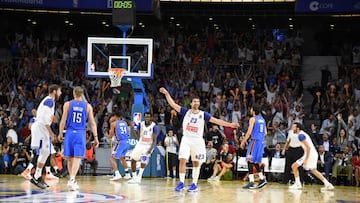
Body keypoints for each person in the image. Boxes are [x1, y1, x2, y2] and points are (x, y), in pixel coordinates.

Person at [159, 87, 239, 192]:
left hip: (197, 140)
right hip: (186, 139)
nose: (196, 103)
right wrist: (167, 94)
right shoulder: (185, 111)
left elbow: (216, 120)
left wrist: (230, 125)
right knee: (182, 159)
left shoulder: (203, 114)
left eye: (198, 101)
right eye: (194, 101)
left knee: (196, 162)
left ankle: (194, 184)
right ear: (191, 103)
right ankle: (181, 182)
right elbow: (173, 104)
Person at [59, 86, 99, 191]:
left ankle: (72, 180)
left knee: (70, 158)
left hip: (69, 132)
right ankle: (72, 179)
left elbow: (63, 121)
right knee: (77, 157)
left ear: (73, 93)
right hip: (80, 133)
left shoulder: (67, 104)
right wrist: (95, 137)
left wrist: (60, 133)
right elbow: (92, 123)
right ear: (82, 94)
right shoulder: (88, 106)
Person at [29, 84, 62, 189]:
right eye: (59, 91)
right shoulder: (49, 101)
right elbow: (43, 118)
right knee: (43, 152)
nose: (60, 93)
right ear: (54, 91)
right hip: (40, 129)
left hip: (41, 129)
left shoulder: (49, 101)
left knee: (46, 152)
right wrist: (51, 133)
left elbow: (46, 117)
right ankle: (35, 175)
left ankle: (37, 175)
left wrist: (53, 120)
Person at [289, 122, 334, 191]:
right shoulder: (301, 134)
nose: (292, 128)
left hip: (310, 154)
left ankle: (298, 184)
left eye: (294, 127)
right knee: (313, 170)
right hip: (312, 153)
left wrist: (306, 159)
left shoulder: (301, 136)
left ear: (297, 128)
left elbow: (308, 148)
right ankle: (328, 184)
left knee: (294, 166)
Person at [240, 104, 267, 189]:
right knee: (254, 161)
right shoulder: (262, 119)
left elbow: (249, 131)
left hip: (254, 141)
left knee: (249, 160)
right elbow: (265, 133)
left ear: (253, 111)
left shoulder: (253, 119)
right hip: (261, 142)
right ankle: (262, 179)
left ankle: (251, 182)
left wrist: (243, 141)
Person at [127, 112, 159, 184]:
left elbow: (154, 140)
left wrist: (150, 149)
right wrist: (132, 127)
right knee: (133, 160)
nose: (147, 118)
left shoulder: (154, 127)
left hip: (148, 145)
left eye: (148, 117)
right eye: (146, 117)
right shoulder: (141, 124)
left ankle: (139, 177)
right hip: (140, 144)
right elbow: (136, 137)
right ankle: (134, 177)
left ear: (151, 118)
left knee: (144, 158)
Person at [109, 111, 131, 181]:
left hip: (120, 142)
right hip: (127, 142)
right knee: (122, 158)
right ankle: (127, 174)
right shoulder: (125, 123)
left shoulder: (114, 124)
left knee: (112, 158)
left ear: (115, 116)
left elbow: (111, 135)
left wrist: (108, 134)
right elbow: (127, 133)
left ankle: (117, 174)